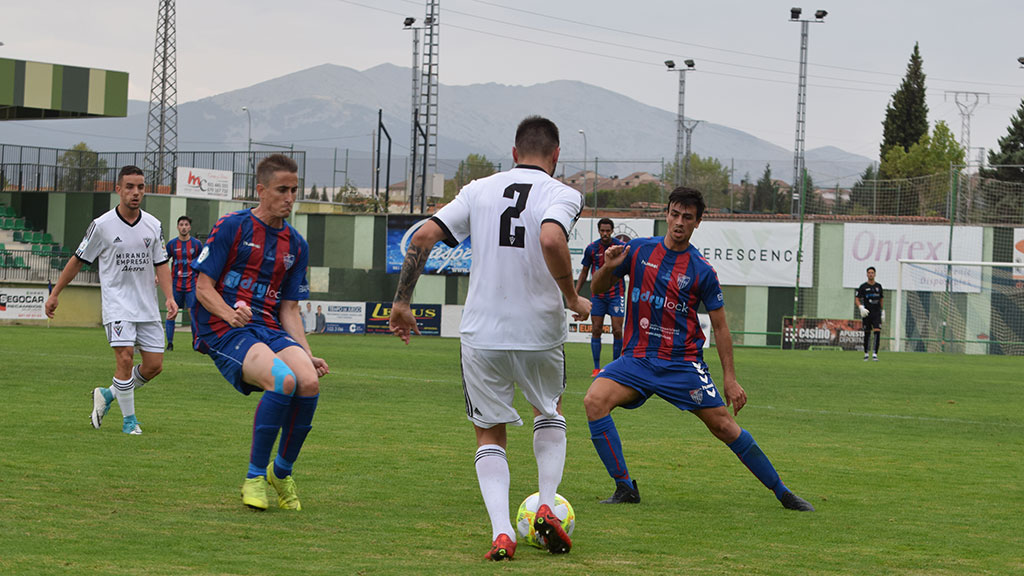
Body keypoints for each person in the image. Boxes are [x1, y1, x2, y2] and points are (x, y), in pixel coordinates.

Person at [389, 116, 591, 561]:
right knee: (548, 412)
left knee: (489, 433)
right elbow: (552, 236)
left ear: (514, 153)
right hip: (539, 331)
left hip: (482, 333)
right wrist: (573, 296)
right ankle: (545, 504)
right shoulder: (563, 193)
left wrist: (402, 302)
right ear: (556, 156)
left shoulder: (478, 188)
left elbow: (423, 235)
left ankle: (503, 533)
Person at [583, 187, 815, 512]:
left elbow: (720, 328)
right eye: (675, 214)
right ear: (666, 213)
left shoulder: (702, 270)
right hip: (636, 359)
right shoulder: (637, 251)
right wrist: (607, 268)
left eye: (687, 217)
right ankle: (624, 487)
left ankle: (783, 492)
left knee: (724, 426)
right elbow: (597, 289)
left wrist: (731, 379)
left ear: (698, 222)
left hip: (682, 365)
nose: (679, 222)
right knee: (594, 401)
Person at [192, 153, 329, 511]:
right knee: (283, 380)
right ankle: (254, 477)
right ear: (261, 190)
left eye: (294, 190)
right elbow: (203, 287)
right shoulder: (232, 227)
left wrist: (306, 350)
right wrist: (227, 313)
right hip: (223, 328)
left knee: (309, 381)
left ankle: (280, 473)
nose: (289, 197)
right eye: (282, 190)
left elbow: (289, 309)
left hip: (268, 326)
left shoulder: (297, 246)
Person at [45, 165, 178, 435]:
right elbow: (78, 260)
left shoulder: (153, 225)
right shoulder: (102, 226)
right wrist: (56, 292)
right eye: (129, 187)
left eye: (140, 187)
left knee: (154, 366)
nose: (135, 192)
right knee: (125, 359)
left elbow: (161, 263)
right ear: (118, 189)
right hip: (117, 305)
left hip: (147, 307)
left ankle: (107, 395)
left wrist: (170, 297)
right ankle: (130, 422)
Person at [575, 217, 626, 377]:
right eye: (602, 231)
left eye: (608, 231)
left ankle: (615, 368)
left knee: (617, 331)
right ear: (599, 231)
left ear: (612, 231)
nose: (605, 233)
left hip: (617, 295)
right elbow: (584, 272)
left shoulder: (620, 247)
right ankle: (596, 368)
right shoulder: (592, 248)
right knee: (596, 329)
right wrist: (575, 294)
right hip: (598, 296)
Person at [165, 215, 203, 351]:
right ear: (177, 227)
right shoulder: (171, 244)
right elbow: (162, 262)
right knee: (171, 312)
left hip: (192, 284)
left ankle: (195, 342)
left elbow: (202, 262)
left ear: (190, 227)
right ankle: (169, 343)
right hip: (176, 284)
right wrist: (159, 276)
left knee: (193, 313)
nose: (184, 227)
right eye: (181, 224)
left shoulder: (197, 244)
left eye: (186, 225)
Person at [856, 266, 884, 361]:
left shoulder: (878, 286)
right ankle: (866, 353)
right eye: (869, 273)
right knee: (867, 333)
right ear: (867, 274)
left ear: (875, 274)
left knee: (877, 332)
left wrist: (882, 311)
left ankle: (875, 354)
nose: (871, 274)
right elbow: (857, 299)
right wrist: (860, 307)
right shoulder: (863, 287)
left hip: (876, 313)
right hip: (867, 313)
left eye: (872, 272)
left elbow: (881, 299)